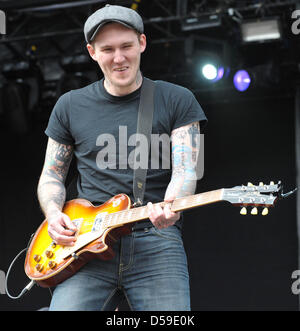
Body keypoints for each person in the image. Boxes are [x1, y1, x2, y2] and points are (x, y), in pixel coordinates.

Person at [37, 4, 207, 311]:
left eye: (127, 46)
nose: (119, 58)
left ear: (142, 43)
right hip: (85, 243)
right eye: (108, 49)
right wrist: (52, 214)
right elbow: (51, 175)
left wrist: (173, 206)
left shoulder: (178, 99)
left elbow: (186, 169)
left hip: (156, 240)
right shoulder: (69, 105)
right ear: (92, 52)